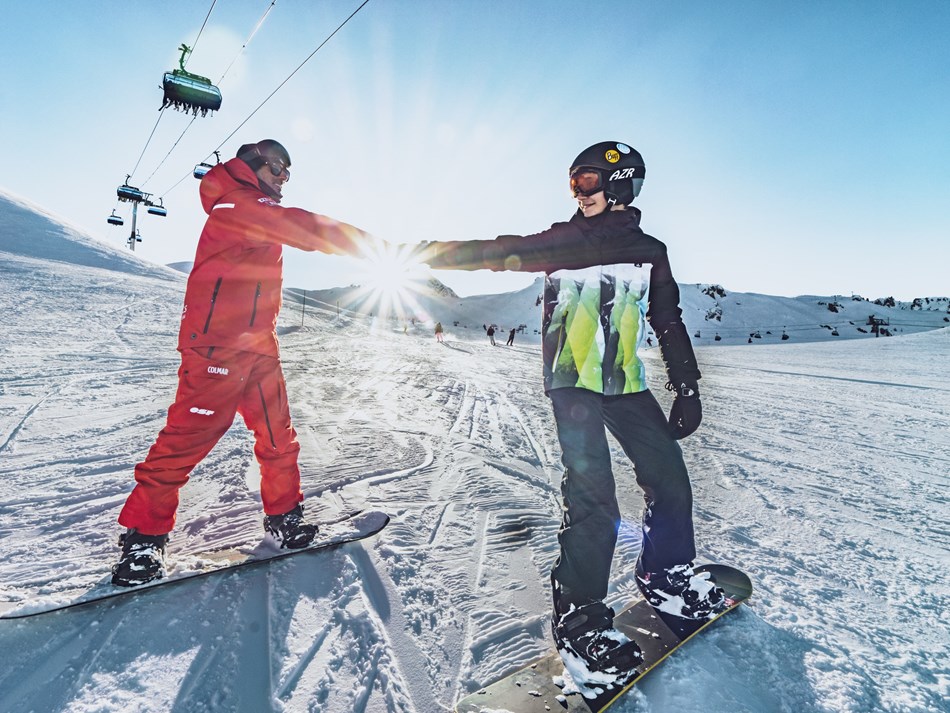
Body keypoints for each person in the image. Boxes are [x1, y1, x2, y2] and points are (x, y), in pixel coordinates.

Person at [417, 141, 726, 687]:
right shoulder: (560, 242)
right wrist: (425, 253)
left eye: (585, 182)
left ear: (619, 184)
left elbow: (668, 318)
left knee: (670, 478)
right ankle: (580, 615)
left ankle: (666, 573)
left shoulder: (650, 251)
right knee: (593, 493)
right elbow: (495, 249)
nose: (578, 193)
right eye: (573, 184)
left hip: (625, 383)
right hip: (573, 382)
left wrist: (686, 385)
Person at [112, 139, 375, 587]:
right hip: (217, 346)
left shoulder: (254, 206)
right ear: (253, 165)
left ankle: (284, 519)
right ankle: (143, 539)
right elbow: (300, 226)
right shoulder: (235, 205)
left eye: (289, 174)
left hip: (259, 348)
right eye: (278, 169)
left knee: (278, 438)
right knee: (184, 443)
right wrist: (369, 245)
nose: (283, 180)